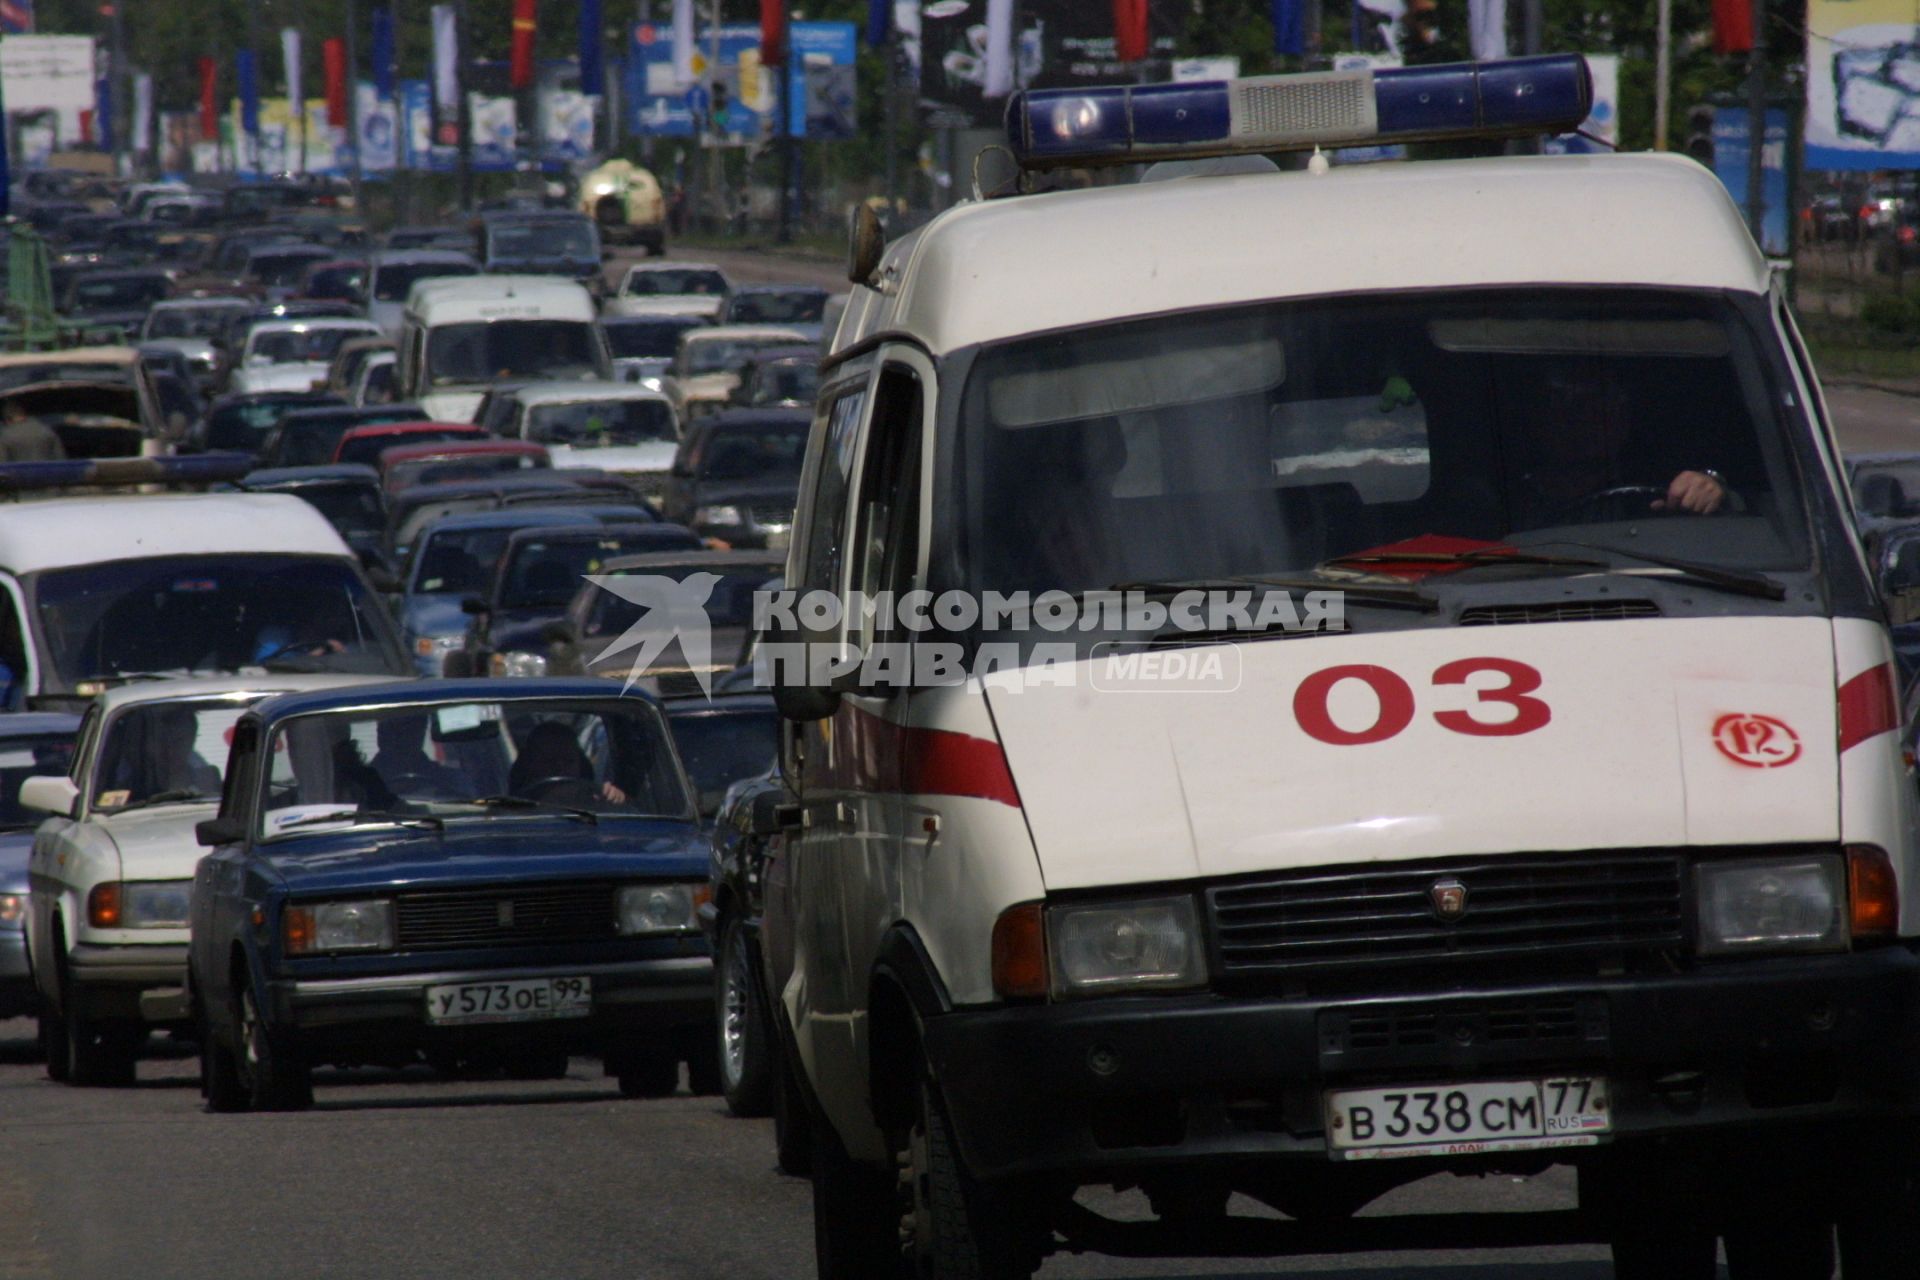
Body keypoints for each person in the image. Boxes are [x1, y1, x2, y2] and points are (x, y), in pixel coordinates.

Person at [1511, 368, 1727, 528]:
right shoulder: (1504, 495)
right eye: (1570, 407)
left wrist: (1709, 486)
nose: (1585, 420)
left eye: (1600, 406)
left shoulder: (1657, 489)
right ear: (1539, 418)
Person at [509, 721, 626, 805]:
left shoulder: (598, 806)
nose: (560, 768)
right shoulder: (509, 814)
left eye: (568, 761)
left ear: (582, 766)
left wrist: (614, 797)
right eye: (549, 761)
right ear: (529, 766)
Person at [368, 713, 466, 800]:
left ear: (420, 733)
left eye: (409, 731)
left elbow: (470, 807)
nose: (400, 738)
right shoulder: (360, 783)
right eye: (393, 731)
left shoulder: (450, 779)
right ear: (380, 734)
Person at [0, 398, 66, 462]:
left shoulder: (6, 436)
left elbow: (3, 462)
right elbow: (60, 458)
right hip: (47, 472)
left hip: (19, 472)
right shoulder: (46, 430)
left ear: (8, 419)